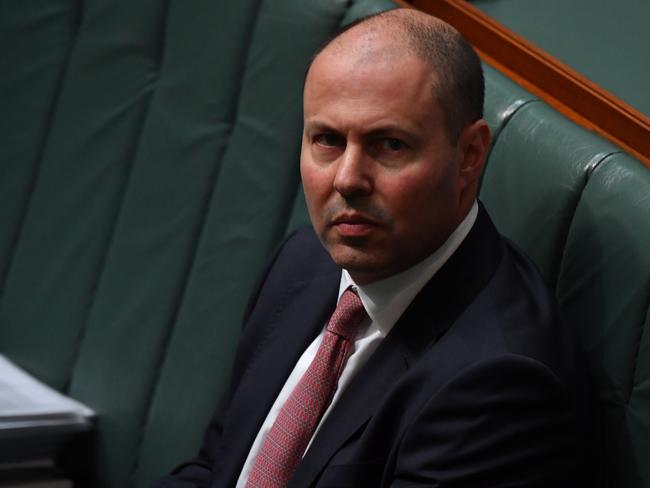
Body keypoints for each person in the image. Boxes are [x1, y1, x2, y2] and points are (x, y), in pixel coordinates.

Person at [154, 8, 589, 487]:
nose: (347, 179)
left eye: (390, 145)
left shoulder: (499, 384)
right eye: (327, 140)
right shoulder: (302, 265)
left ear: (469, 156)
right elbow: (218, 467)